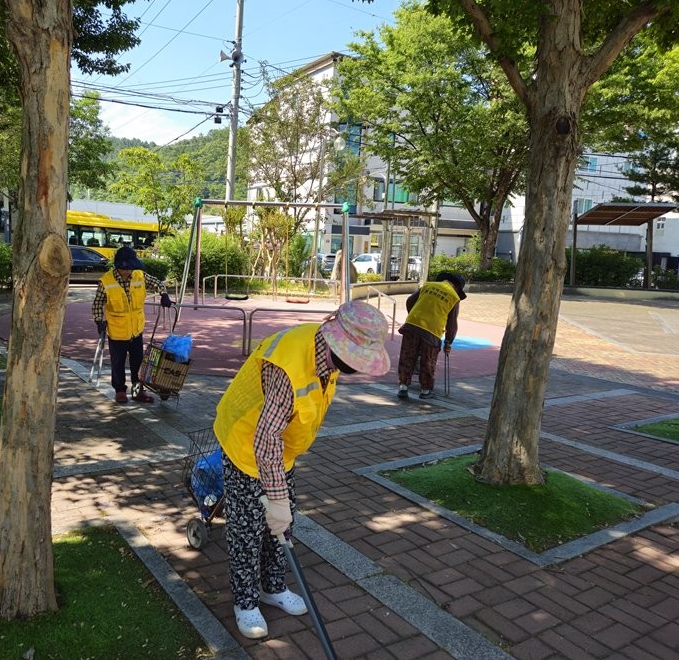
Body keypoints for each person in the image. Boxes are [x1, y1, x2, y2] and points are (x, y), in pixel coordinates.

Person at [213, 300, 390, 639]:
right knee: (247, 528)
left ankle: (273, 587)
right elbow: (266, 439)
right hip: (246, 443)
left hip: (280, 453)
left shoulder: (326, 357)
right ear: (337, 343)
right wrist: (275, 498)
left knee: (282, 525)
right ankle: (246, 601)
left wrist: (280, 501)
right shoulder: (289, 364)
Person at [92, 246, 173, 404]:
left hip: (136, 330)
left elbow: (158, 283)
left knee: (138, 363)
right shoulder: (106, 281)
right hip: (117, 330)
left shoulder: (139, 275)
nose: (128, 272)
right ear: (118, 266)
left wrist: (164, 294)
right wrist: (98, 320)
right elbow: (97, 303)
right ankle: (120, 391)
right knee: (118, 363)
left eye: (130, 268)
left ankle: (137, 392)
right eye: (125, 269)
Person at [396, 271, 467, 400]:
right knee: (428, 360)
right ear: (456, 287)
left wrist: (414, 315)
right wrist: (448, 341)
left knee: (407, 355)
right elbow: (451, 323)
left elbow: (410, 301)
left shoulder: (428, 285)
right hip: (432, 330)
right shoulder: (453, 297)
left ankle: (403, 387)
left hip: (412, 324)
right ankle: (425, 390)